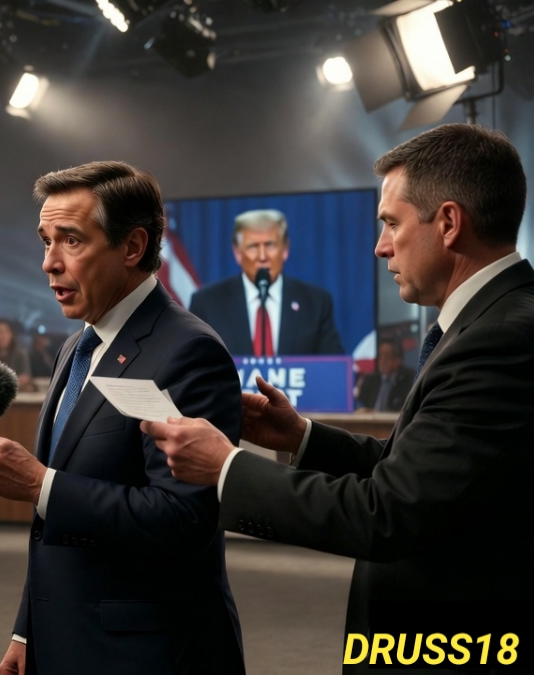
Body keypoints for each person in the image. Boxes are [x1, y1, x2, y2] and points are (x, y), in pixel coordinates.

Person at [141, 124, 533, 671]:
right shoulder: (489, 324)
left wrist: (226, 468)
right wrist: (301, 438)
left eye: (392, 224)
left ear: (448, 222)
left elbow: (387, 513)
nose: (380, 246)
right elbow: (417, 475)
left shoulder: (500, 339)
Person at [0, 161, 245, 674]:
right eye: (44, 240)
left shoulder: (188, 351)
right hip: (66, 640)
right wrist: (27, 628)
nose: (49, 263)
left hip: (149, 655)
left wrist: (42, 486)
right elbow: (51, 529)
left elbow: (185, 517)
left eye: (70, 240)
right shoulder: (76, 349)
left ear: (132, 247)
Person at [188, 209, 343, 355]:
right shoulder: (207, 304)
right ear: (237, 253)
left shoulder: (315, 303)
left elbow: (334, 368)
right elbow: (191, 363)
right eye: (253, 246)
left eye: (270, 245)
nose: (262, 256)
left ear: (285, 250)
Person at [354, 338, 414, 412]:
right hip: (370, 422)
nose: (383, 360)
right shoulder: (369, 380)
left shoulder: (409, 381)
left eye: (387, 356)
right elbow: (360, 405)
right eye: (380, 356)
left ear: (398, 360)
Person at [0, 319, 32, 391]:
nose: (2, 336)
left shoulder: (20, 353)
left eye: (6, 332)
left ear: (11, 334)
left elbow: (25, 377)